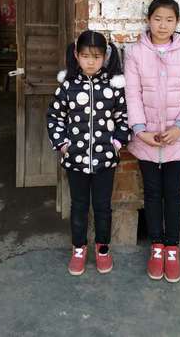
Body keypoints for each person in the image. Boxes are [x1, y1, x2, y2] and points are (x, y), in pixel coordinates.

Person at [124, 0, 180, 283]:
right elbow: (132, 94)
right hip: (146, 138)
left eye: (169, 20)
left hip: (176, 139)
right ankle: (156, 246)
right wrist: (140, 129)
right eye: (157, 18)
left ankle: (172, 248)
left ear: (177, 22)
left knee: (173, 193)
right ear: (148, 20)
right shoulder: (135, 52)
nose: (163, 25)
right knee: (152, 193)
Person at [47, 30, 131, 276]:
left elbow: (123, 118)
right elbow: (54, 117)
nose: (91, 62)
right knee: (79, 206)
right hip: (75, 160)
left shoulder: (113, 87)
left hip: (105, 161)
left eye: (96, 56)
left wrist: (117, 143)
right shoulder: (68, 86)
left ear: (105, 57)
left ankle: (103, 248)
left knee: (103, 206)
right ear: (76, 55)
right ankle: (78, 248)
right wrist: (63, 145)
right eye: (85, 56)